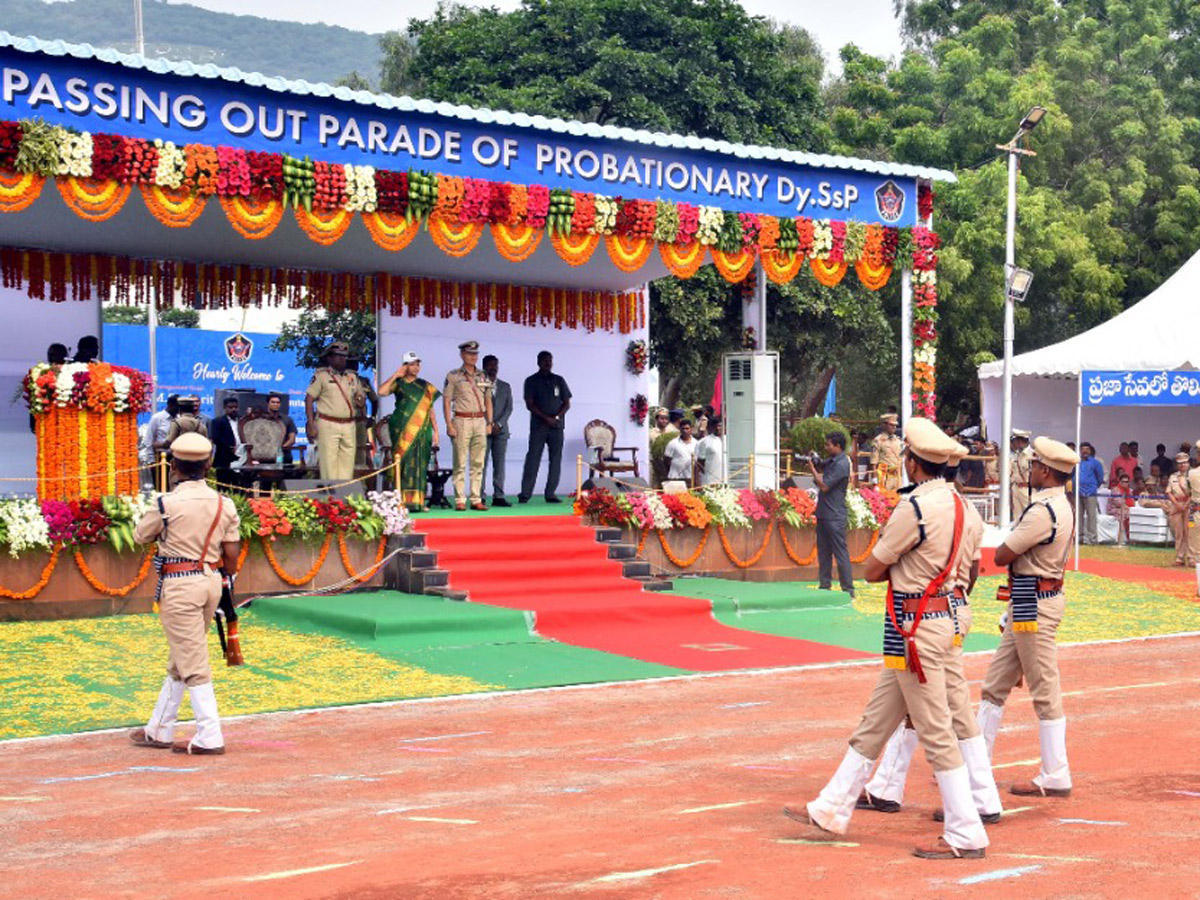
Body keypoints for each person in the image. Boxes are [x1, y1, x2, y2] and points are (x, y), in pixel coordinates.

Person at [786, 418, 989, 860]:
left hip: (914, 627)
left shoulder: (915, 507)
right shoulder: (960, 505)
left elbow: (874, 569)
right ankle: (832, 805)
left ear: (913, 464)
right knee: (878, 719)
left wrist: (899, 569)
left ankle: (966, 831)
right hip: (931, 622)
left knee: (935, 731)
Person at [857, 443, 1002, 826]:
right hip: (953, 609)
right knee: (932, 706)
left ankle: (967, 814)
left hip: (920, 615)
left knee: (933, 711)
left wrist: (913, 578)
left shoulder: (923, 508)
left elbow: (874, 569)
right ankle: (892, 786)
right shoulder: (967, 509)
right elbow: (972, 571)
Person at [977, 436, 1079, 799]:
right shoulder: (1059, 505)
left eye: (1035, 465)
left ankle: (1056, 772)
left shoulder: (1042, 510)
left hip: (1033, 603)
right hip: (1030, 600)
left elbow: (1004, 555)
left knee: (1043, 688)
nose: (1030, 469)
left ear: (1047, 471)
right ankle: (976, 764)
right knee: (995, 685)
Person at [129, 433, 240, 755]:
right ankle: (159, 729)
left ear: (174, 466)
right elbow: (231, 553)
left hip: (179, 583)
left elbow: (139, 536)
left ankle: (210, 735)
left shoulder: (166, 503)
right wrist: (223, 573)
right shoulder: (225, 503)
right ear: (207, 465)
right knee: (183, 654)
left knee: (192, 661)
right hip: (210, 581)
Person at [379, 351, 441, 511]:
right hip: (401, 430)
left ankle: (418, 502)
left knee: (420, 464)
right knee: (403, 464)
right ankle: (400, 501)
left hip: (422, 430)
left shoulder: (425, 386)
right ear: (404, 366)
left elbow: (430, 409)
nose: (416, 367)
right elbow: (381, 392)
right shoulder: (398, 383)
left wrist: (436, 430)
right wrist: (395, 375)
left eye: (417, 364)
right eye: (411, 364)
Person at [304, 340, 365, 482]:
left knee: (347, 464)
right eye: (337, 356)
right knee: (329, 465)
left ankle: (343, 497)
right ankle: (330, 500)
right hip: (328, 422)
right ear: (329, 358)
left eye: (344, 356)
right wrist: (311, 424)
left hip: (349, 424)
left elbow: (361, 399)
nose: (342, 359)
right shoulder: (321, 376)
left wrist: (360, 400)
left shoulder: (352, 377)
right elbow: (309, 399)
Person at [444, 340, 494, 511]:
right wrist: (449, 424)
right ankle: (459, 499)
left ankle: (475, 498)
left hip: (480, 421)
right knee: (460, 461)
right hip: (461, 420)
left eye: (475, 354)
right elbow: (446, 400)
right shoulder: (454, 375)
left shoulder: (483, 376)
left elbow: (488, 400)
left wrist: (490, 422)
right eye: (469, 354)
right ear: (462, 355)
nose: (473, 357)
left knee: (478, 462)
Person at [519, 350, 570, 504]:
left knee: (555, 460)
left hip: (557, 426)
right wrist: (546, 418)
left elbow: (567, 403)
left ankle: (550, 493)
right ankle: (525, 494)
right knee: (533, 458)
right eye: (545, 361)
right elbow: (530, 404)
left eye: (550, 361)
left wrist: (556, 417)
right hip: (538, 426)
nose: (548, 363)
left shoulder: (559, 380)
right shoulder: (531, 381)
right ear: (538, 362)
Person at [810, 431, 854, 598]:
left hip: (835, 515)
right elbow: (822, 465)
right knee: (824, 552)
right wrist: (815, 460)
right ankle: (824, 585)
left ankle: (848, 590)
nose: (826, 447)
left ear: (838, 446)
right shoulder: (834, 460)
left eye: (829, 444)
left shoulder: (842, 464)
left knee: (840, 553)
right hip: (824, 513)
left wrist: (812, 470)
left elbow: (824, 486)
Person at [482, 354, 513, 507]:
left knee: (499, 464)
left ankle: (498, 496)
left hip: (501, 431)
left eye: (495, 365)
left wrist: (498, 424)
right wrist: (488, 424)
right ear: (483, 367)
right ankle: (479, 496)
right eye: (489, 365)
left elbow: (509, 408)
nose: (493, 368)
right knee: (481, 464)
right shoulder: (477, 386)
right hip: (482, 430)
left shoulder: (505, 386)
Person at [208, 396, 244, 493]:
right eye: (230, 407)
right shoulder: (217, 421)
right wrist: (229, 448)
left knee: (240, 488)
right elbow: (215, 438)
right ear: (225, 408)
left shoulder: (243, 420)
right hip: (224, 459)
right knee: (224, 489)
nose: (233, 409)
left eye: (235, 407)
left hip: (241, 458)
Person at [348, 358, 379, 472]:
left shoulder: (363, 381)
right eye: (351, 362)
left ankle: (361, 483)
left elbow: (374, 400)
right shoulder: (340, 380)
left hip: (360, 421)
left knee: (360, 453)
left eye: (355, 362)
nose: (354, 364)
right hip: (343, 421)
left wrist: (372, 417)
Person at [1076, 442, 1105, 544]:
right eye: (1083, 449)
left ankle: (1092, 539)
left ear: (1090, 450)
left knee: (1091, 516)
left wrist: (1093, 487)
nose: (1085, 451)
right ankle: (1079, 538)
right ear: (1079, 450)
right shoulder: (1076, 462)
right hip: (1078, 492)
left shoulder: (1095, 463)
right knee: (1078, 516)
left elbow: (1100, 477)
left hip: (1090, 492)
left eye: (1087, 449)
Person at [1166, 453, 1192, 566]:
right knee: (1178, 532)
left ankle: (1191, 557)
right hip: (1176, 505)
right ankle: (1180, 557)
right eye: (1180, 463)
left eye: (1185, 462)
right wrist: (1177, 505)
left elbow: (1195, 493)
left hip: (1189, 506)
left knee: (1189, 532)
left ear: (1188, 463)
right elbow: (1168, 492)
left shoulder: (1193, 476)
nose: (1183, 465)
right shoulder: (1173, 477)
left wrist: (1186, 505)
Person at [870, 413, 903, 490]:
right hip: (885, 478)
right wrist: (874, 479)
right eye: (891, 425)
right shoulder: (878, 441)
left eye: (895, 425)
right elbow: (873, 462)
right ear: (884, 425)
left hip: (897, 477)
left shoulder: (897, 440)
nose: (894, 427)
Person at [663, 420, 698, 484]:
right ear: (680, 429)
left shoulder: (696, 443)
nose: (685, 431)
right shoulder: (673, 443)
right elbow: (666, 460)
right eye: (683, 429)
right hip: (675, 478)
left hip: (690, 478)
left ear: (691, 429)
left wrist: (696, 478)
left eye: (687, 428)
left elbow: (697, 462)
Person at [1009, 430, 1033, 519]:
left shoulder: (1032, 454)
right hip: (1016, 488)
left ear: (1020, 441)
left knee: (1028, 515)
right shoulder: (1017, 454)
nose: (1013, 443)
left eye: (1015, 441)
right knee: (1017, 516)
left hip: (1027, 489)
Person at [695, 417, 725, 486]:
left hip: (727, 479)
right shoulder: (705, 441)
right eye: (715, 426)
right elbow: (700, 463)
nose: (717, 428)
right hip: (710, 481)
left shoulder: (728, 439)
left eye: (719, 426)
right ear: (710, 427)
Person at [1106, 472, 1134, 544]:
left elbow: (1132, 502)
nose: (1125, 483)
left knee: (1134, 513)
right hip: (1113, 509)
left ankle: (1132, 537)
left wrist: (1130, 508)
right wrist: (1127, 508)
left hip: (1126, 508)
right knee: (1124, 513)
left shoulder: (1129, 491)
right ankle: (1122, 538)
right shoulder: (1115, 490)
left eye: (1127, 482)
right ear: (1120, 482)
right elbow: (1118, 503)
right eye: (1123, 481)